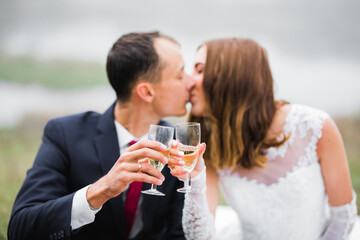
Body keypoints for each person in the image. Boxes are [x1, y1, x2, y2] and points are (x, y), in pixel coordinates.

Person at [8, 31, 194, 240]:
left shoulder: (181, 147)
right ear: (147, 92)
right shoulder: (64, 134)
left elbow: (180, 235)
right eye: (180, 75)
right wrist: (101, 190)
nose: (192, 82)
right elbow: (20, 229)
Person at [171, 38, 358, 239]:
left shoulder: (315, 126)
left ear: (232, 77)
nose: (189, 81)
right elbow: (200, 236)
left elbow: (342, 218)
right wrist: (196, 182)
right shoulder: (210, 141)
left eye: (200, 70)